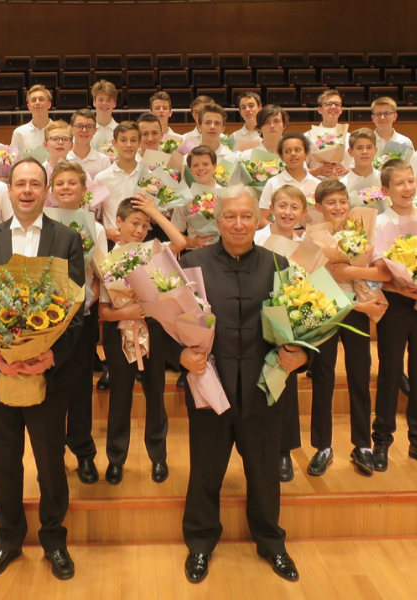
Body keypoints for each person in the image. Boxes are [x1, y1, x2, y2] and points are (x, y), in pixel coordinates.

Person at [179, 185, 307, 584]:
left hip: (264, 388)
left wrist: (303, 355)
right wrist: (178, 356)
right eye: (230, 216)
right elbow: (163, 321)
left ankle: (271, 542)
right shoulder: (190, 262)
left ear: (260, 219)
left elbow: (309, 321)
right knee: (205, 469)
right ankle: (200, 543)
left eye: (246, 216)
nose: (238, 223)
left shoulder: (280, 264)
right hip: (209, 386)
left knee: (265, 472)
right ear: (216, 221)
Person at [0, 158, 84, 581]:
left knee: (51, 463)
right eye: (19, 183)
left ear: (46, 191)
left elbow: (74, 312)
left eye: (34, 184)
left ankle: (55, 540)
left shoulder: (67, 239)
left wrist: (50, 357)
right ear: (10, 189)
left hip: (49, 375)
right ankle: (8, 539)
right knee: (4, 461)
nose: (26, 190)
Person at [99, 195, 186, 485]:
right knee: (120, 398)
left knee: (155, 393)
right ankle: (116, 459)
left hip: (153, 329)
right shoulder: (106, 259)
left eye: (145, 226)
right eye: (135, 223)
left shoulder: (152, 251)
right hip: (119, 332)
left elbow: (181, 243)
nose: (140, 230)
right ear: (118, 223)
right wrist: (124, 311)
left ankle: (158, 456)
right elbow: (103, 311)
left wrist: (154, 212)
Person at [370, 160, 417, 472]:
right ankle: (382, 441)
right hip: (395, 304)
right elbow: (377, 269)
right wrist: (402, 289)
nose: (408, 188)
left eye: (411, 181)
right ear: (386, 191)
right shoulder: (379, 223)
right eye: (400, 183)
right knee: (389, 372)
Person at [309, 179, 389, 477]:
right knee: (323, 377)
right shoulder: (313, 237)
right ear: (318, 207)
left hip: (358, 309)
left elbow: (380, 273)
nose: (338, 208)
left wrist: (351, 272)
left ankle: (362, 444)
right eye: (331, 203)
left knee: (359, 375)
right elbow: (311, 282)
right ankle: (322, 446)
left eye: (343, 202)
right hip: (327, 311)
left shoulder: (364, 233)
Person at [49, 161, 106, 483]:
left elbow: (102, 271)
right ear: (51, 191)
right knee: (53, 386)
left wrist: (93, 293)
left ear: (84, 192)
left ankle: (83, 451)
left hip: (82, 316)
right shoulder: (42, 223)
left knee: (82, 386)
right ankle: (53, 451)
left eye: (73, 183)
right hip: (49, 319)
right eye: (60, 184)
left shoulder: (94, 227)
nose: (67, 188)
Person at [251, 184, 307, 481]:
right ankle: (258, 448)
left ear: (303, 213)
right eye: (282, 206)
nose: (287, 212)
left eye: (294, 207)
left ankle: (284, 450)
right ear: (270, 208)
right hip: (253, 318)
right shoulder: (256, 238)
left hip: (289, 320)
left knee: (285, 384)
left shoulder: (307, 244)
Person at [258, 132, 320, 226]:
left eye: (298, 150)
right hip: (281, 236)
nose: (293, 154)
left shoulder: (317, 184)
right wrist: (282, 232)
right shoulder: (273, 183)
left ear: (306, 153)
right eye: (287, 151)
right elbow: (262, 220)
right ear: (282, 157)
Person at [93, 121, 141, 243]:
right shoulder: (102, 178)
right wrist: (106, 233)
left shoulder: (148, 177)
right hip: (112, 240)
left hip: (142, 239)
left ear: (139, 143)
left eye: (133, 140)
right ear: (114, 143)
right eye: (123, 140)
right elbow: (92, 215)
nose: (128, 145)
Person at [306, 90, 351, 179]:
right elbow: (298, 169)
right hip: (316, 185)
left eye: (337, 104)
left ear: (341, 110)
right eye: (328, 104)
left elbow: (358, 168)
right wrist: (318, 171)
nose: (333, 107)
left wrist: (346, 170)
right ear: (320, 110)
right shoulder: (307, 137)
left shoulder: (350, 137)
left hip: (343, 185)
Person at [340, 128, 381, 206]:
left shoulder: (383, 179)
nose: (365, 152)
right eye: (359, 148)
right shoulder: (343, 184)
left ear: (375, 150)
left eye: (369, 147)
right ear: (350, 152)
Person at [67, 108, 111, 179]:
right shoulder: (64, 159)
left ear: (95, 131)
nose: (84, 130)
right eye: (79, 126)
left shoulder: (103, 161)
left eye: (89, 127)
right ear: (72, 129)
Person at [11, 85, 53, 153]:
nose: (37, 102)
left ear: (49, 104)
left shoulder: (60, 130)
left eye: (41, 99)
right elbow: (15, 160)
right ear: (29, 106)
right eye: (33, 100)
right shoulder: (19, 133)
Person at [91, 80, 119, 149]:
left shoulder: (120, 131)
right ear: (94, 102)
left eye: (108, 100)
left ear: (114, 103)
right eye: (101, 100)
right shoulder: (86, 131)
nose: (104, 103)